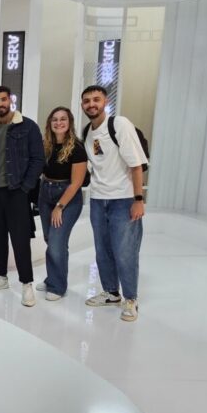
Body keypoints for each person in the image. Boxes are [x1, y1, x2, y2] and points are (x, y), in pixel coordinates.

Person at [80, 85, 148, 322]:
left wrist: (138, 199)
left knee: (125, 251)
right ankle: (111, 292)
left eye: (96, 99)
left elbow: (136, 165)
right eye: (87, 101)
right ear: (82, 105)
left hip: (123, 199)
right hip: (98, 199)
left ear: (105, 102)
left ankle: (130, 299)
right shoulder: (87, 132)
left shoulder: (119, 125)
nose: (91, 104)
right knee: (103, 250)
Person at [0, 86, 44, 307]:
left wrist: (26, 187)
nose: (0, 104)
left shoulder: (28, 126)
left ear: (10, 101)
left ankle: (26, 283)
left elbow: (38, 159)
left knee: (20, 240)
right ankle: (1, 277)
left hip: (17, 192)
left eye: (3, 99)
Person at [36, 107, 88, 301]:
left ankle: (58, 287)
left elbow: (76, 183)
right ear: (50, 123)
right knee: (50, 240)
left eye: (63, 119)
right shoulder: (46, 145)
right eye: (55, 119)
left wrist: (59, 206)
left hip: (67, 197)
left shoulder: (77, 148)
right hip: (45, 193)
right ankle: (52, 278)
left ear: (70, 122)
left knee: (57, 243)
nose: (59, 123)